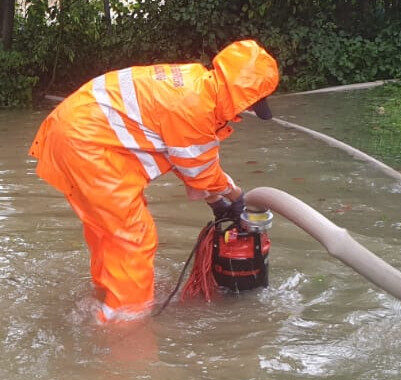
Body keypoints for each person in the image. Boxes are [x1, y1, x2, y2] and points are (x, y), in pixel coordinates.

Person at [28, 39, 279, 323]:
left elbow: (185, 160)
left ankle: (105, 295)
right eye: (249, 103)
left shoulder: (194, 83)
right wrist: (236, 198)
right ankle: (126, 321)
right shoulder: (197, 108)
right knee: (134, 237)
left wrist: (217, 203)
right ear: (241, 95)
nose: (243, 111)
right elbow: (200, 171)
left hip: (77, 132)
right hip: (89, 144)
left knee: (109, 231)